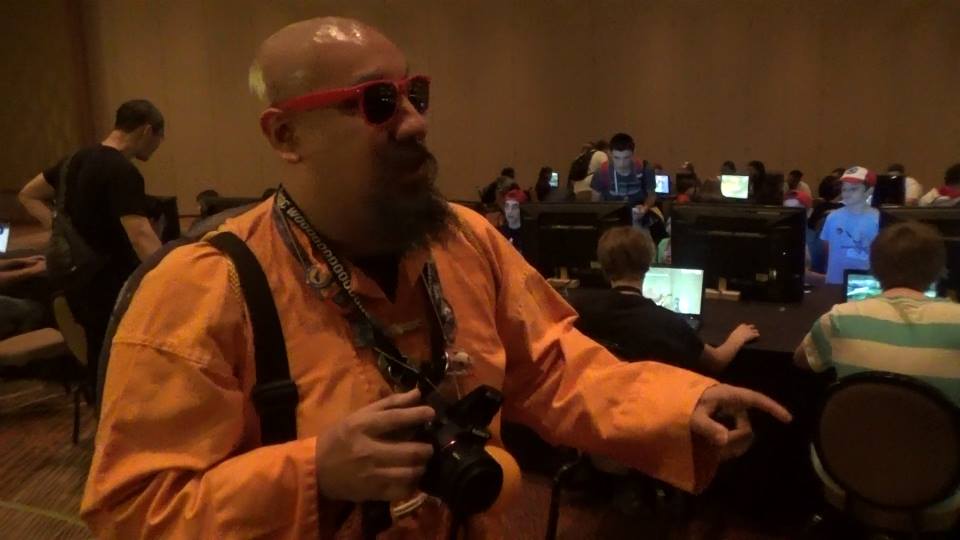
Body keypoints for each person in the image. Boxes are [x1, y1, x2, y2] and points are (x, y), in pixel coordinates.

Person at [81, 17, 791, 539]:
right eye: (377, 103)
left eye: (415, 94)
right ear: (285, 135)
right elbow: (132, 514)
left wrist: (678, 403)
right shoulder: (200, 291)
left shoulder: (465, 241)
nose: (415, 123)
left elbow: (552, 365)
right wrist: (314, 473)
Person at [17, 99, 165, 384]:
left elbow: (28, 194)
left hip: (77, 280)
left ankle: (102, 408)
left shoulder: (73, 160)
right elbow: (140, 236)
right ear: (147, 130)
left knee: (97, 358)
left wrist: (58, 225)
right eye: (160, 137)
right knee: (121, 363)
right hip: (110, 283)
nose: (158, 145)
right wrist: (172, 274)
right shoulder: (122, 171)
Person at [795, 221, 960, 405]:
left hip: (856, 423)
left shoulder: (838, 318)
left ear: (872, 267)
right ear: (939, 269)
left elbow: (801, 360)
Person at [567, 227, 760, 374]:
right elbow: (717, 362)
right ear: (648, 264)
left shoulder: (577, 311)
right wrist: (736, 338)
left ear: (603, 265)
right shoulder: (667, 322)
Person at [820, 166, 880, 285]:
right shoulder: (832, 217)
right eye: (844, 189)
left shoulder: (878, 219)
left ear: (869, 191)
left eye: (853, 189)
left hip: (865, 283)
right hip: (835, 281)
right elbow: (827, 247)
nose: (847, 193)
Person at [589, 133, 657, 214]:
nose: (621, 164)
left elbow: (652, 195)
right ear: (610, 153)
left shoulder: (645, 169)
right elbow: (595, 204)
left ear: (633, 153)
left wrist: (645, 207)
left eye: (626, 158)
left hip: (640, 216)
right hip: (612, 217)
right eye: (616, 158)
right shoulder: (601, 173)